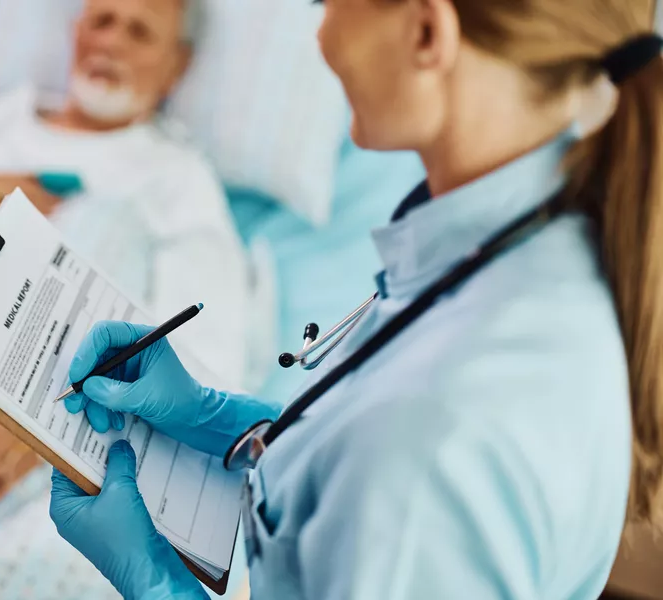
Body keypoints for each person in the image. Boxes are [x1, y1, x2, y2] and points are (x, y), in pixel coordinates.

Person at [48, 0, 663, 598]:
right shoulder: (526, 251)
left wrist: (152, 582)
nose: (319, 39)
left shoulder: (431, 446)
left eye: (325, 3)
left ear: (426, 33)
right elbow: (357, 455)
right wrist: (219, 418)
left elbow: (389, 463)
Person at [0, 0, 259, 510]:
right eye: (102, 21)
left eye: (139, 33)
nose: (111, 41)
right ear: (75, 33)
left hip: (0, 409)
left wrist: (53, 427)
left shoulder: (174, 179)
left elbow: (198, 357)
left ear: (176, 66)